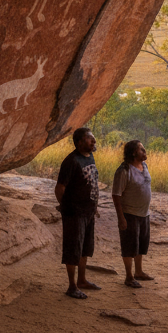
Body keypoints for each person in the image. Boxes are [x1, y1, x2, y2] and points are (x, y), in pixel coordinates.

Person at [55, 128, 101, 299]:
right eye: (90, 139)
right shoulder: (71, 161)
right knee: (73, 248)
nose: (94, 142)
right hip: (75, 213)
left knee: (84, 248)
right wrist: (66, 208)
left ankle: (82, 280)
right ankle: (72, 286)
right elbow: (59, 188)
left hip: (88, 212)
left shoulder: (89, 157)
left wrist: (93, 206)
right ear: (80, 141)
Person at [111, 140, 154, 288]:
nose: (144, 151)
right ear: (134, 152)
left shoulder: (144, 166)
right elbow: (116, 195)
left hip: (144, 214)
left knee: (141, 244)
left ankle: (139, 272)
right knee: (129, 246)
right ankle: (129, 276)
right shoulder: (124, 170)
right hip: (130, 213)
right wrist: (121, 217)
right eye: (142, 149)